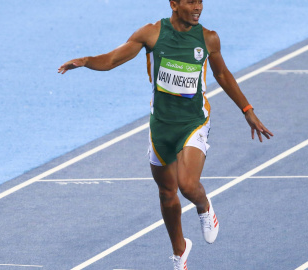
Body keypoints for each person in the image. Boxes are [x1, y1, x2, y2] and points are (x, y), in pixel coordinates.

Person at [58, 0, 273, 268]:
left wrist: (247, 109)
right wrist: (86, 61)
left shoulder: (208, 38)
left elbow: (222, 73)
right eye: (191, 2)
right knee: (166, 193)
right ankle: (179, 250)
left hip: (194, 121)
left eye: (200, 2)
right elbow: (113, 59)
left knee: (188, 186)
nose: (198, 7)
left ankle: (205, 207)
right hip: (161, 125)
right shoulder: (151, 34)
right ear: (174, 3)